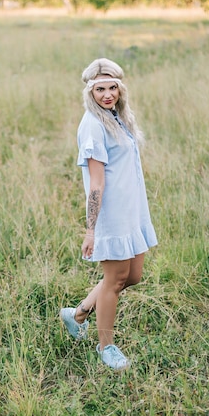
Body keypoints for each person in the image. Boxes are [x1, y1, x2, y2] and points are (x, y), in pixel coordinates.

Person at [60, 58, 158, 370]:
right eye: (100, 89)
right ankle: (107, 347)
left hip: (132, 212)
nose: (107, 94)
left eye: (112, 87)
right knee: (115, 281)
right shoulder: (92, 125)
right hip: (111, 217)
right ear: (90, 91)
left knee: (132, 276)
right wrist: (91, 230)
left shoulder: (116, 116)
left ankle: (78, 313)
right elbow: (96, 184)